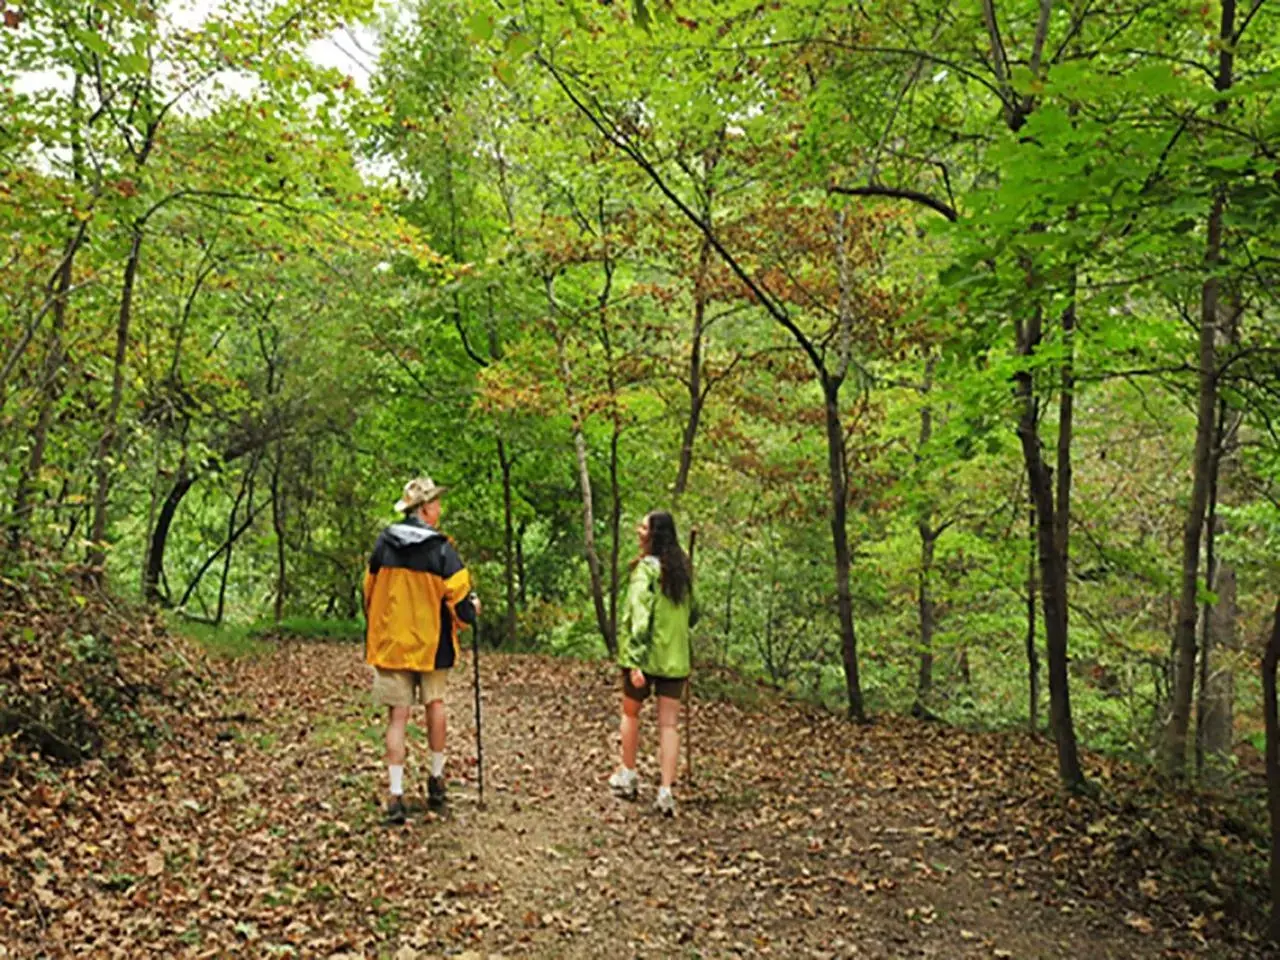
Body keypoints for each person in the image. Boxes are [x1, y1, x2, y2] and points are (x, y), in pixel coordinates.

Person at [363, 476, 479, 826]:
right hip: (434, 645)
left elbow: (368, 591)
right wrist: (472, 612)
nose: (439, 509)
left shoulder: (384, 545)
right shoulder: (442, 549)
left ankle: (395, 795)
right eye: (436, 504)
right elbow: (460, 602)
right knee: (435, 704)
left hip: (393, 644)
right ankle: (436, 779)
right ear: (425, 509)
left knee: (398, 716)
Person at [609, 510, 695, 817]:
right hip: (675, 659)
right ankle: (666, 790)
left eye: (643, 526)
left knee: (631, 714)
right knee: (668, 724)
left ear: (653, 535)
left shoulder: (646, 571)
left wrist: (634, 660)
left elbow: (639, 617)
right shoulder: (682, 571)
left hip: (645, 658)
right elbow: (693, 614)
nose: (638, 530)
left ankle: (628, 774)